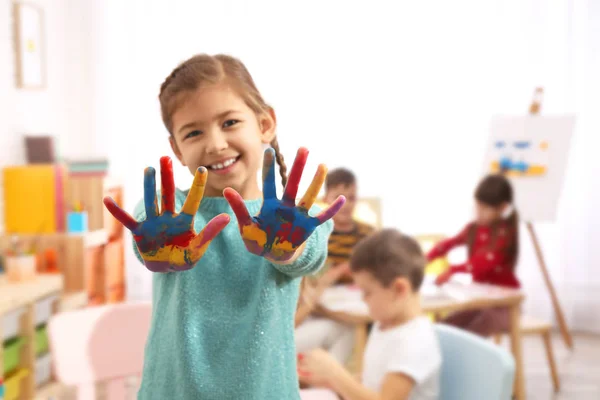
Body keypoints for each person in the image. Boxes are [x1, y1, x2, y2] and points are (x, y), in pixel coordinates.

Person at [103, 54, 345, 399]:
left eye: (229, 122)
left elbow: (311, 255)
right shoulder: (165, 214)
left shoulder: (301, 220)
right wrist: (158, 254)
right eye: (194, 132)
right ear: (177, 149)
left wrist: (290, 247)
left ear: (265, 124)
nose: (216, 144)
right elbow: (148, 248)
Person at [298, 229, 441, 400]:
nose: (363, 300)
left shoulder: (414, 341)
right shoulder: (386, 325)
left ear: (399, 289)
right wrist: (331, 380)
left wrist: (336, 375)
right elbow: (371, 381)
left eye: (367, 292)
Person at [427, 173, 520, 336]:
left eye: (484, 209)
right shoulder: (473, 228)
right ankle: (443, 353)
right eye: (477, 207)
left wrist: (453, 270)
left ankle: (463, 357)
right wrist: (427, 257)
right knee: (447, 326)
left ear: (503, 208)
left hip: (505, 306)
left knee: (475, 329)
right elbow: (450, 243)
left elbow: (484, 262)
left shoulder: (505, 233)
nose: (479, 213)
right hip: (480, 301)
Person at [295, 265, 355, 365]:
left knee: (345, 327)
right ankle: (330, 373)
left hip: (290, 332)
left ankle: (328, 372)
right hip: (278, 341)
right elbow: (292, 323)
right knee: (344, 327)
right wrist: (323, 284)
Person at [324, 168, 375, 284]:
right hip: (325, 296)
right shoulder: (319, 235)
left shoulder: (369, 234)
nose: (345, 205)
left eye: (351, 198)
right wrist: (341, 270)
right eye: (338, 199)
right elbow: (314, 278)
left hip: (362, 294)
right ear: (325, 199)